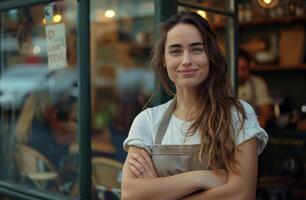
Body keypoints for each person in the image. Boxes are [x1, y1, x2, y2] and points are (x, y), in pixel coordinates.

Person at [121, 11, 268, 200]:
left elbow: (241, 194)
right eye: (175, 51)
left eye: (197, 49)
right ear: (164, 61)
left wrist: (159, 191)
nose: (186, 60)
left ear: (210, 56)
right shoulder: (147, 121)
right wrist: (203, 177)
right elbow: (131, 193)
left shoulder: (238, 114)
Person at [238, 49, 273, 128]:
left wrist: (261, 121)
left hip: (251, 128)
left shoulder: (258, 82)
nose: (239, 74)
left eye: (243, 69)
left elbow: (266, 110)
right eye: (237, 69)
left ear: (249, 67)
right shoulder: (222, 83)